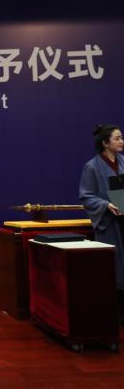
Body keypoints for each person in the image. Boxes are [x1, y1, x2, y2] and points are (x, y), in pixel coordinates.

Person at [79, 124, 124, 320]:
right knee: (114, 266)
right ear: (105, 143)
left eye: (121, 137)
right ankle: (115, 312)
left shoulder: (123, 161)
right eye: (117, 138)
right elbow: (86, 196)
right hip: (110, 224)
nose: (121, 141)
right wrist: (106, 204)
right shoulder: (92, 167)